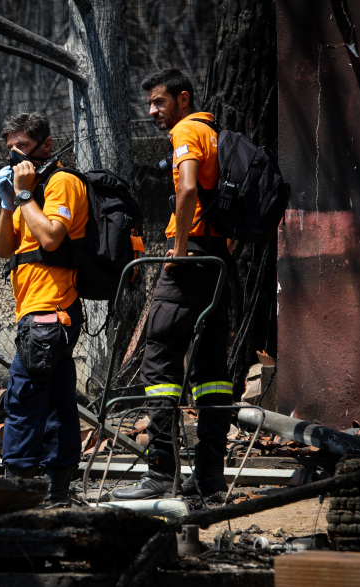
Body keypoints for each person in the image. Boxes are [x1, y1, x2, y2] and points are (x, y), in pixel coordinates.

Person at [111, 69, 233, 500]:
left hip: (190, 259)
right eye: (149, 104)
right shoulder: (216, 132)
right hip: (218, 262)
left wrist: (177, 250)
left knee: (160, 363)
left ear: (182, 99)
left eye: (159, 102)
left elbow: (185, 190)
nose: (151, 112)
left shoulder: (186, 130)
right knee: (212, 374)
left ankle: (162, 471)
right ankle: (209, 477)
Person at [0, 112, 88, 508]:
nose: (16, 158)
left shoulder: (61, 184)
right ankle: (58, 491)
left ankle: (15, 490)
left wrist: (26, 194)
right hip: (33, 313)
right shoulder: (26, 192)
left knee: (23, 402)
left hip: (51, 312)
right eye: (10, 150)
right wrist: (7, 202)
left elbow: (50, 238)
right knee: (58, 404)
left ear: (46, 146)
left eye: (23, 149)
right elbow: (4, 249)